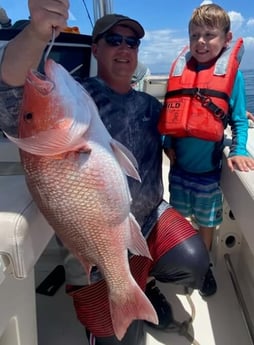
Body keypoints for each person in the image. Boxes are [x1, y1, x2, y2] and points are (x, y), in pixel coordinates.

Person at [0, 1, 210, 344]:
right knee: (114, 338)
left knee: (194, 260)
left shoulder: (150, 105)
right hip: (93, 236)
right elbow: (9, 94)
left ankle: (144, 280)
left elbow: (181, 129)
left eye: (132, 42)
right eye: (114, 39)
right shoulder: (83, 94)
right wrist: (38, 33)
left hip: (150, 217)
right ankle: (121, 285)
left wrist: (234, 126)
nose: (125, 48)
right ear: (95, 49)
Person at [162, 4, 254, 298]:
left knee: (206, 222)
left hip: (207, 174)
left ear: (227, 40)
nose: (200, 41)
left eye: (209, 35)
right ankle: (186, 263)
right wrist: (167, 145)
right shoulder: (180, 73)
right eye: (194, 35)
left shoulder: (233, 76)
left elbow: (238, 118)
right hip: (178, 170)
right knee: (180, 217)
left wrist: (239, 149)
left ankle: (203, 266)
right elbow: (170, 115)